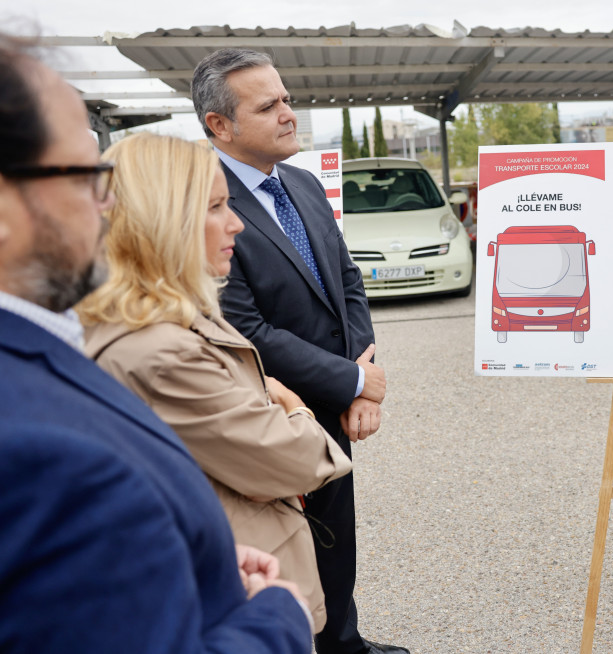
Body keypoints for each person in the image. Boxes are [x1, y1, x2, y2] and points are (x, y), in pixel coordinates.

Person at [0, 34, 312, 653]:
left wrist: (202, 562)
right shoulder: (37, 448)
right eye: (86, 176)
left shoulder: (46, 351)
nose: (108, 207)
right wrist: (278, 619)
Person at [75, 132, 354, 633]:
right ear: (165, 221)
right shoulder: (159, 350)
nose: (237, 223)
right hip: (237, 595)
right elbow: (300, 460)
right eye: (216, 207)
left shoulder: (177, 317)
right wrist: (293, 404)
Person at [191, 49, 403, 654]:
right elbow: (246, 327)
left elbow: (349, 283)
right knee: (288, 546)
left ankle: (345, 642)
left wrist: (359, 376)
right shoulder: (207, 204)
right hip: (273, 415)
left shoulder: (304, 185)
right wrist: (353, 384)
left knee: (339, 533)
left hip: (336, 403)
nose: (289, 113)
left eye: (286, 98)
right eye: (269, 105)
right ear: (219, 126)